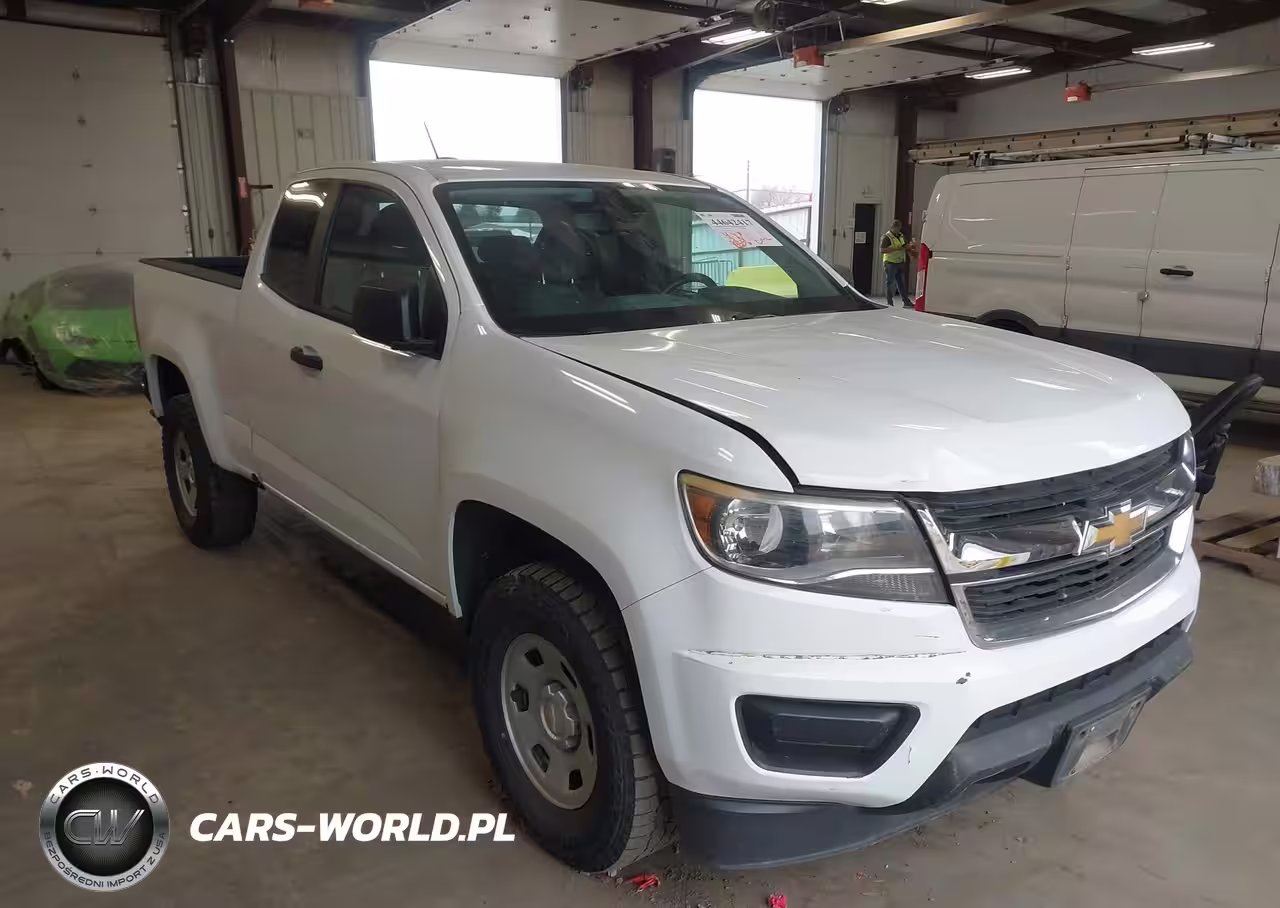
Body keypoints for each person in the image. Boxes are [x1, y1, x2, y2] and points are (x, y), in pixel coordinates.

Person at [881, 219, 914, 307]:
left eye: (899, 228)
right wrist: (896, 249)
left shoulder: (901, 236)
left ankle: (906, 301)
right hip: (890, 263)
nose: (898, 230)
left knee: (901, 283)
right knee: (890, 283)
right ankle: (889, 302)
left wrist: (909, 247)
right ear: (892, 227)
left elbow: (904, 245)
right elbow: (883, 250)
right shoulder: (886, 237)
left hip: (900, 262)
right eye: (896, 228)